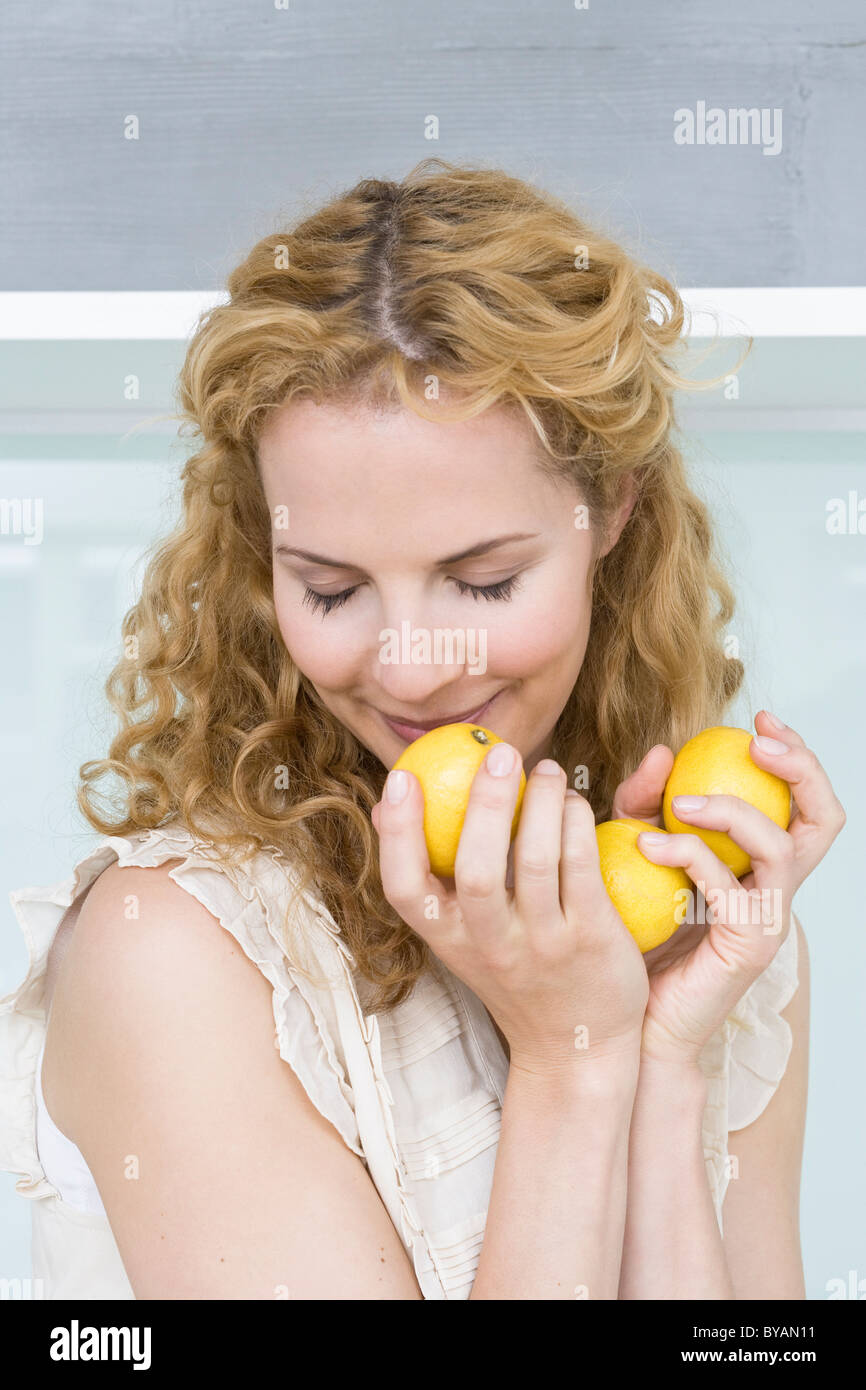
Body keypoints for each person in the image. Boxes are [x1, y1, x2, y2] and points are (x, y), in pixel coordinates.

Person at [0, 159, 845, 1300]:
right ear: (263, 560)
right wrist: (566, 1063)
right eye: (332, 589)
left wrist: (659, 1058)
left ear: (613, 511)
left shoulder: (707, 926)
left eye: (483, 581)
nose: (409, 664)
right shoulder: (177, 957)